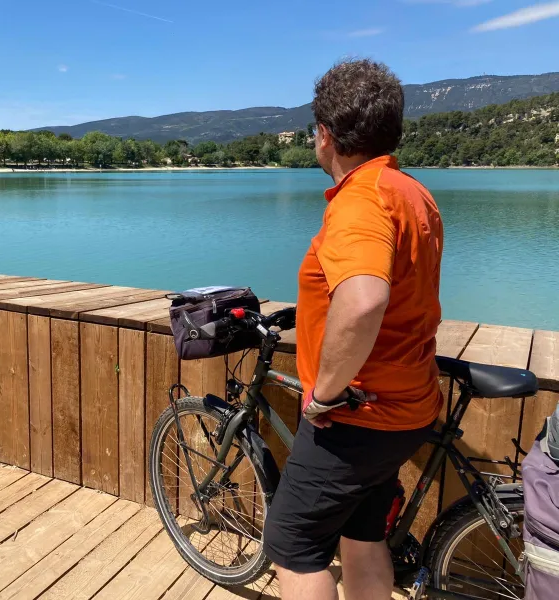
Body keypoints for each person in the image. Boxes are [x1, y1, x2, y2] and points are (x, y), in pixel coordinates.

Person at [263, 59, 444, 600]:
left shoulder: (361, 200)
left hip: (357, 417)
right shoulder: (413, 193)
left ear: (324, 135)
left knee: (293, 548)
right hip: (409, 406)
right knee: (363, 540)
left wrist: (325, 393)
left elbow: (364, 302)